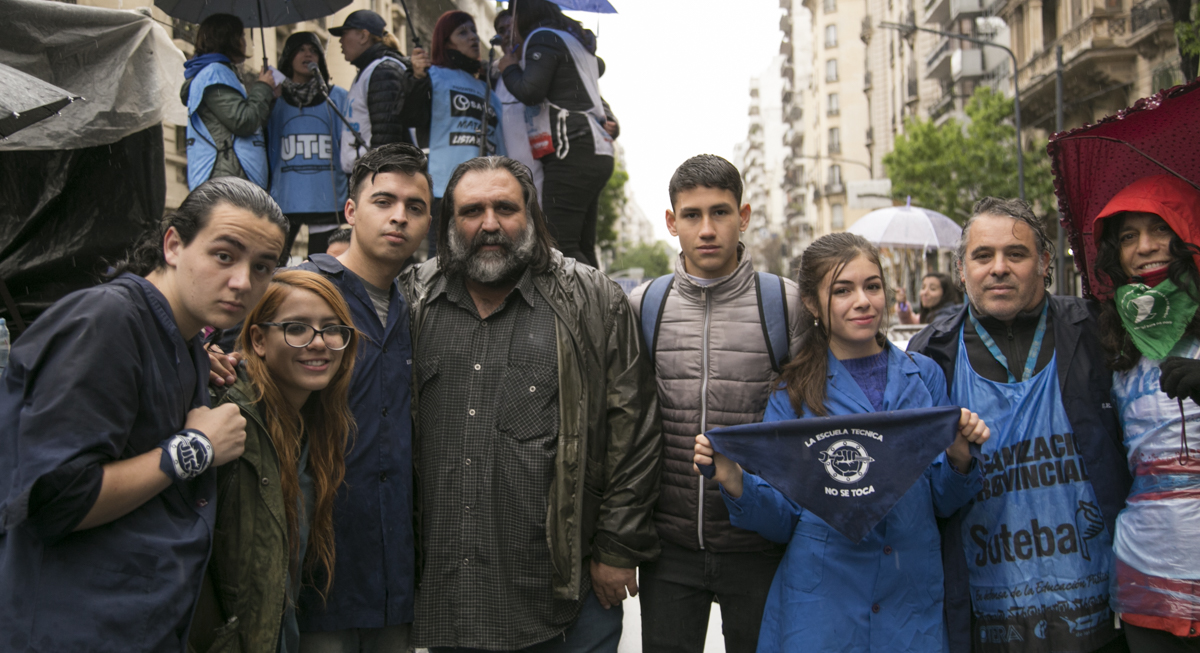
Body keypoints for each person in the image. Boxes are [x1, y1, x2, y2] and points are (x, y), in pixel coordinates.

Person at [0, 177, 287, 651]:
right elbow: (57, 500)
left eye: (262, 267)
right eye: (224, 255)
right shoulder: (106, 321)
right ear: (173, 244)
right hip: (71, 629)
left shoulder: (186, 339)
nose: (242, 282)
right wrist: (196, 448)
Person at [399, 156, 661, 652]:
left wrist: (617, 547)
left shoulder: (593, 300)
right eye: (472, 211)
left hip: (565, 598)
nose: (490, 224)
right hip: (448, 595)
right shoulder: (412, 300)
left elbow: (635, 432)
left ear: (532, 216)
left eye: (505, 208)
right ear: (449, 222)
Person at [695, 232, 989, 652]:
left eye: (872, 286)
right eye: (843, 290)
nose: (863, 301)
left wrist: (960, 456)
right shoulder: (793, 395)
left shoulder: (924, 376)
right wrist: (734, 478)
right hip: (823, 608)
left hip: (910, 602)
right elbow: (782, 520)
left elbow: (942, 500)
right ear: (813, 304)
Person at [908, 197, 1132, 653]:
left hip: (1103, 613)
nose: (999, 268)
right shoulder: (930, 355)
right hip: (988, 618)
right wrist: (957, 462)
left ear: (1045, 263)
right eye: (983, 255)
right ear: (961, 269)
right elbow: (924, 496)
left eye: (1016, 253)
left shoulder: (1096, 330)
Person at [628, 154, 804, 653]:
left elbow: (810, 419)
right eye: (692, 215)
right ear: (672, 222)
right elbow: (626, 426)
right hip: (669, 551)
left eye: (720, 212)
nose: (707, 229)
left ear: (743, 216)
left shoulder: (785, 303)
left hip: (760, 548)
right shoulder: (645, 304)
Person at [293, 143, 431, 652]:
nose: (399, 217)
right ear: (351, 211)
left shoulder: (417, 307)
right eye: (384, 201)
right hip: (316, 580)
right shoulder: (304, 292)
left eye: (415, 207)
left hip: (395, 582)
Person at [189, 270, 358, 653]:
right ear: (258, 340)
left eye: (332, 329)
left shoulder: (312, 427)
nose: (319, 343)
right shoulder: (225, 412)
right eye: (297, 328)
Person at [1089, 175, 1200, 652]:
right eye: (1128, 236)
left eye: (1160, 229)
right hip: (1145, 567)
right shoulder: (1108, 333)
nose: (1145, 247)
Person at [498, 0, 615, 268]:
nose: (511, 27)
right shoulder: (571, 40)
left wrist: (509, 68)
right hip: (593, 149)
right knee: (581, 244)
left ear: (524, 13)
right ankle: (601, 295)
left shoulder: (542, 37)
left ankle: (591, 296)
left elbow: (531, 91)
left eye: (513, 19)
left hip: (571, 149)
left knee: (558, 243)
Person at [404, 11, 506, 257]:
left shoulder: (490, 92)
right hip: (445, 189)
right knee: (445, 259)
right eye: (462, 32)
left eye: (474, 31)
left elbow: (500, 146)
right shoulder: (432, 76)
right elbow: (410, 116)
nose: (473, 37)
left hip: (487, 190)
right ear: (446, 43)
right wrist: (416, 77)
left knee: (482, 257)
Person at [268, 32, 351, 258]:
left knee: (321, 268)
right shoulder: (273, 98)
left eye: (313, 50)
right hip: (283, 198)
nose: (308, 54)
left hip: (326, 198)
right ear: (289, 56)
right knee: (274, 263)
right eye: (301, 49)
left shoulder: (337, 97)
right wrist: (266, 96)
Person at [182, 13, 277, 191]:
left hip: (229, 176)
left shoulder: (220, 73)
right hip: (227, 179)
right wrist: (263, 87)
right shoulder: (214, 74)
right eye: (241, 36)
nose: (245, 42)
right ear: (228, 39)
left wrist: (268, 97)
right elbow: (243, 121)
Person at [332, 10, 424, 173]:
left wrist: (375, 177)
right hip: (368, 175)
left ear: (363, 36)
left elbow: (387, 140)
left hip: (375, 176)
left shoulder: (383, 71)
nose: (340, 40)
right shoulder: (369, 70)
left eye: (344, 34)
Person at [491, 9, 545, 203]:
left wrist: (608, 118)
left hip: (541, 165)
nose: (506, 35)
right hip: (505, 170)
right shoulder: (492, 74)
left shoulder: (540, 64)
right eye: (501, 30)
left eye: (511, 28)